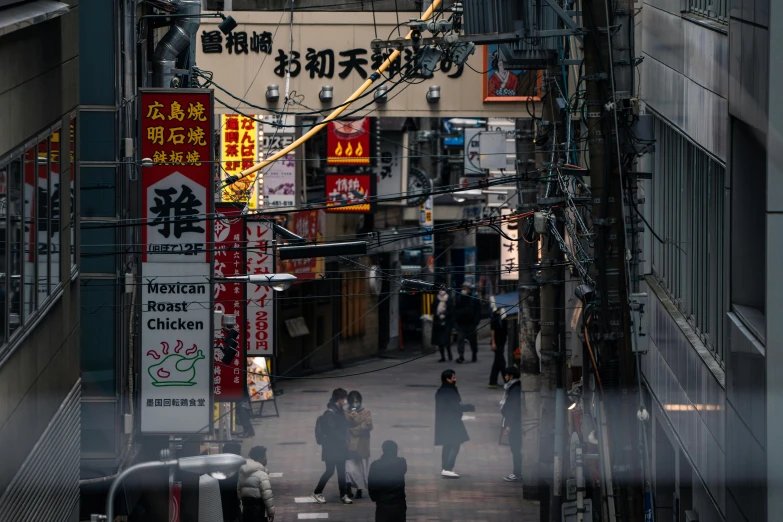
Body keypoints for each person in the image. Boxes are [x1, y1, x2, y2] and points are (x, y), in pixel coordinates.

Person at [312, 388, 353, 504]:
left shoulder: (339, 411)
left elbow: (344, 426)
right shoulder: (330, 413)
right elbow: (332, 431)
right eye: (344, 398)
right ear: (339, 399)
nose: (345, 401)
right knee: (329, 471)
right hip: (331, 448)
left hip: (339, 447)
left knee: (341, 471)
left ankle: (343, 495)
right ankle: (317, 492)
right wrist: (344, 439)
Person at [434, 369, 475, 478]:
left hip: (446, 421)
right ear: (447, 379)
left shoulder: (443, 390)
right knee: (455, 444)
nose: (455, 379)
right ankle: (447, 468)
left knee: (448, 444)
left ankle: (445, 468)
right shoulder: (449, 391)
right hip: (451, 422)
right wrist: (469, 407)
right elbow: (455, 406)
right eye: (453, 377)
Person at [368, 440, 408, 522]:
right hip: (399, 502)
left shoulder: (375, 465)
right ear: (396, 450)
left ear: (383, 451)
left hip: (383, 502)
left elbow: (371, 484)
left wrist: (374, 497)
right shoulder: (401, 462)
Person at [345, 390, 373, 499]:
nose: (354, 405)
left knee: (361, 469)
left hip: (361, 445)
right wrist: (350, 418)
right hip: (349, 444)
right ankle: (348, 487)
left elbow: (368, 426)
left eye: (356, 402)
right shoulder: (345, 412)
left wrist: (354, 426)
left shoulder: (366, 411)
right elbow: (343, 425)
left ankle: (359, 489)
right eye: (352, 402)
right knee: (348, 468)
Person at [238, 446, 275, 522]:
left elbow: (238, 492)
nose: (266, 459)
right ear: (260, 458)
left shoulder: (242, 472)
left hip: (246, 509)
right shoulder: (262, 475)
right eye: (265, 456)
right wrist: (271, 513)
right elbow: (267, 497)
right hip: (258, 511)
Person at [500, 367, 523, 482]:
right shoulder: (513, 388)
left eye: (506, 375)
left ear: (511, 376)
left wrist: (509, 425)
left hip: (515, 424)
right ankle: (518, 472)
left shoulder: (515, 389)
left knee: (515, 448)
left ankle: (517, 473)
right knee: (516, 448)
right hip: (515, 423)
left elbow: (513, 408)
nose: (505, 377)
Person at [453, 281, 481, 363]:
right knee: (460, 339)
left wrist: (476, 322)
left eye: (465, 288)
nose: (463, 290)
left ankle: (474, 354)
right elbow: (455, 309)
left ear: (469, 290)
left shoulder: (474, 298)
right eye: (463, 288)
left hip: (471, 324)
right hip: (461, 324)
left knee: (473, 341)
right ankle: (461, 356)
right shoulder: (459, 298)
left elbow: (477, 312)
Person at [219, 442, 243, 522]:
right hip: (230, 509)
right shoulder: (232, 472)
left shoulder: (218, 468)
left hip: (225, 508)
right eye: (239, 454)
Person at [431, 289, 454, 362]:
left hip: (447, 322)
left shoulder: (449, 299)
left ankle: (449, 353)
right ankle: (442, 356)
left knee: (446, 339)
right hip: (438, 322)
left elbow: (451, 310)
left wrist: (445, 315)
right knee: (439, 340)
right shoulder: (436, 298)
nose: (441, 291)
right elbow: (433, 308)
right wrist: (437, 314)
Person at [489, 307, 509, 388]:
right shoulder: (494, 317)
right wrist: (493, 342)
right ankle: (507, 381)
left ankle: (492, 382)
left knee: (497, 364)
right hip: (496, 343)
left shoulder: (504, 318)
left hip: (502, 342)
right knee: (502, 363)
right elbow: (492, 331)